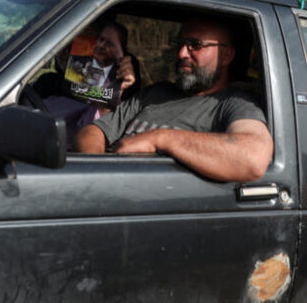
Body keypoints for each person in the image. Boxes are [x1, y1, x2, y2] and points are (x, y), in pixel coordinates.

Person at [76, 17, 273, 182]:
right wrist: (97, 174)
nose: (182, 53)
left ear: (226, 55)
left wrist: (159, 139)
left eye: (196, 45)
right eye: (179, 43)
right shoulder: (156, 93)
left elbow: (253, 158)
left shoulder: (236, 104)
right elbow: (93, 131)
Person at [33, 21, 139, 144]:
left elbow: (96, 126)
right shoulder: (48, 82)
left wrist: (118, 90)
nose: (101, 47)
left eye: (109, 44)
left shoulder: (102, 111)